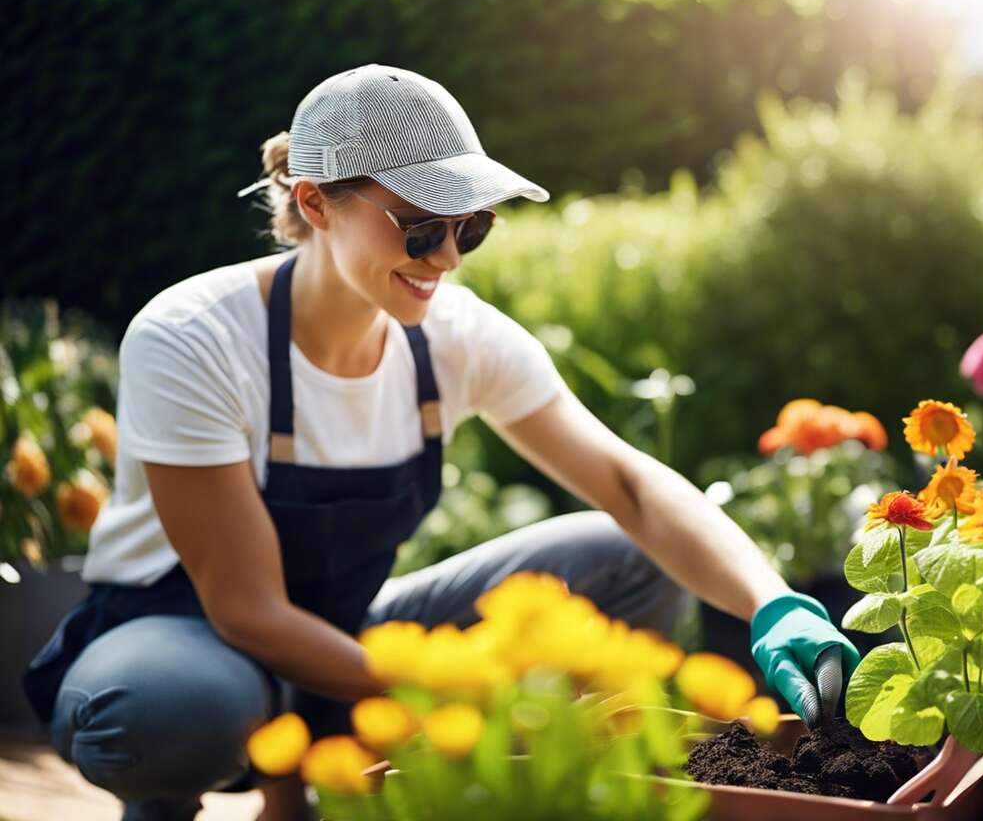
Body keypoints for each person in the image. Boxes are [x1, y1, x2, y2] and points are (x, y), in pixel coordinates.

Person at [22, 64, 859, 821]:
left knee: (628, 552)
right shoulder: (193, 337)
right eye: (421, 229)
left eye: (473, 227)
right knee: (169, 711)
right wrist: (479, 691)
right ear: (314, 203)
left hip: (354, 627)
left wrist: (768, 599)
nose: (450, 259)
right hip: (189, 630)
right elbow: (250, 610)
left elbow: (631, 486)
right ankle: (177, 797)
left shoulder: (455, 337)